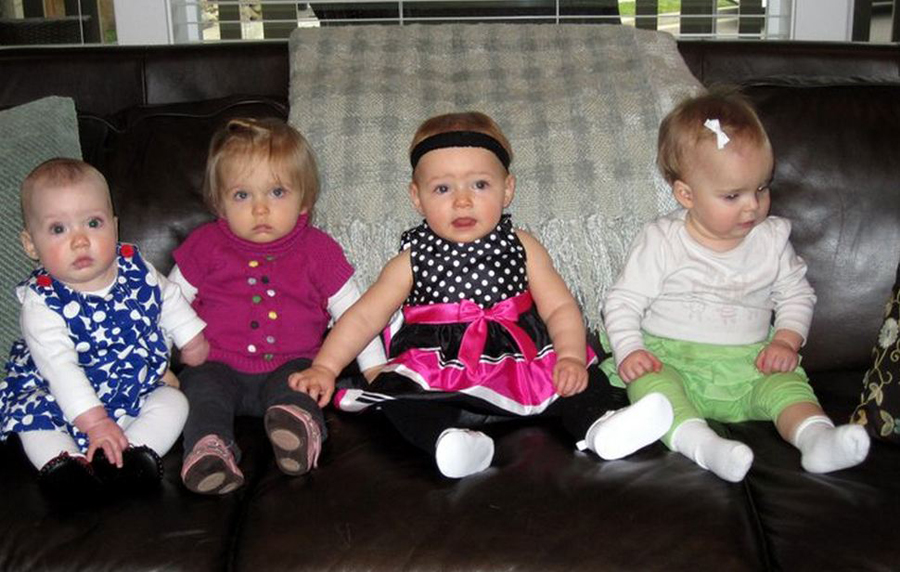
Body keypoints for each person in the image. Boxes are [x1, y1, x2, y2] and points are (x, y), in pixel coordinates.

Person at [289, 111, 673, 479]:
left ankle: (602, 427)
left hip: (525, 360)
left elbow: (559, 307)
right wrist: (326, 367)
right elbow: (363, 317)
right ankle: (450, 443)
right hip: (439, 367)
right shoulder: (411, 259)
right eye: (443, 188)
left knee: (582, 381)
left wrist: (570, 355)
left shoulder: (522, 245)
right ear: (417, 197)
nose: (462, 201)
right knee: (400, 401)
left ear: (507, 189)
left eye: (479, 185)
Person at [601, 90, 871, 482]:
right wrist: (631, 350)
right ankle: (704, 445)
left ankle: (817, 437)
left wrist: (786, 341)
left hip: (750, 363)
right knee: (651, 389)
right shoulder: (661, 240)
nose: (752, 206)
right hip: (671, 359)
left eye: (761, 188)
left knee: (787, 387)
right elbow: (623, 301)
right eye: (732, 195)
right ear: (686, 194)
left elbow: (797, 294)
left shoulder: (771, 239)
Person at [170, 117, 386, 495]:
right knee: (198, 391)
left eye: (276, 192)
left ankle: (296, 430)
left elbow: (356, 314)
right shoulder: (205, 245)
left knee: (301, 387)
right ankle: (209, 450)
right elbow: (166, 305)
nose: (260, 209)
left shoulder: (319, 251)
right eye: (242, 195)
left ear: (304, 199)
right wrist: (155, 366)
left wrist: (375, 372)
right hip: (216, 365)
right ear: (219, 203)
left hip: (292, 365)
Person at [0, 158, 206, 502]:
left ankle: (131, 458)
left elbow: (167, 297)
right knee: (34, 425)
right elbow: (59, 367)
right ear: (31, 244)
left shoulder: (134, 266)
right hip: (58, 396)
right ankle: (66, 466)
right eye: (58, 229)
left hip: (131, 386)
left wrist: (190, 336)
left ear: (114, 226)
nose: (80, 241)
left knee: (174, 403)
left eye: (93, 223)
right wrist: (94, 422)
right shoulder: (42, 302)